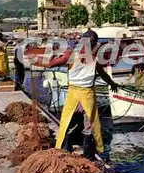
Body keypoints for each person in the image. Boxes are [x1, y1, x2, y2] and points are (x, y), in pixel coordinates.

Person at [42, 30, 118, 161]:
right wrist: (112, 84)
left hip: (73, 94)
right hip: (87, 95)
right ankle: (89, 157)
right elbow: (103, 75)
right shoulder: (95, 58)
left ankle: (66, 151)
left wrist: (52, 53)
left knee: (68, 122)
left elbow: (50, 64)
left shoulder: (71, 54)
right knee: (90, 125)